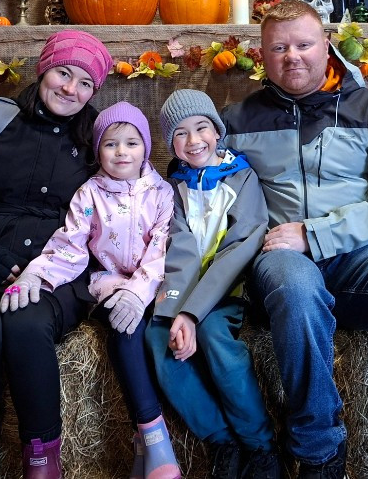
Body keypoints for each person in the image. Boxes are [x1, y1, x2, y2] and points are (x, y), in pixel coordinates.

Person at [220, 0, 368, 479]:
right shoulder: (237, 120)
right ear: (262, 55)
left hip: (359, 257)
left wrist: (315, 234)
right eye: (278, 48)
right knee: (295, 284)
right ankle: (320, 454)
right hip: (280, 260)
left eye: (304, 44)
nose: (292, 56)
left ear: (326, 45)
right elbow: (203, 196)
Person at [0, 30, 113, 478]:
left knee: (26, 326)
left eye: (85, 83)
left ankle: (42, 460)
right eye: (63, 73)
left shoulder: (98, 137)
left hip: (56, 272)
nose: (70, 89)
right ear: (43, 69)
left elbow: (121, 205)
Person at [0, 101, 180, 479]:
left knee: (157, 335)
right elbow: (70, 245)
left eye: (132, 143)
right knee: (125, 329)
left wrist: (139, 292)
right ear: (98, 150)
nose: (121, 152)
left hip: (153, 283)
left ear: (146, 147)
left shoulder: (162, 192)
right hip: (108, 280)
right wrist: (34, 275)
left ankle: (142, 445)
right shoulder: (89, 193)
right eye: (111, 144)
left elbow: (162, 249)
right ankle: (155, 438)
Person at [145, 89, 281, 479]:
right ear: (170, 143)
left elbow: (241, 246)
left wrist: (191, 313)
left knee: (213, 336)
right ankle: (221, 439)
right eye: (180, 133)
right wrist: (175, 309)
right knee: (157, 337)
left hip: (231, 287)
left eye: (201, 127)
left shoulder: (242, 177)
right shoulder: (174, 186)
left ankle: (260, 444)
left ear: (217, 131)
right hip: (187, 286)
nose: (193, 140)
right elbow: (181, 248)